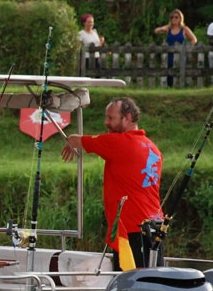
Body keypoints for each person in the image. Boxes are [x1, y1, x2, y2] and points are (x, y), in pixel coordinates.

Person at [61, 97, 162, 270]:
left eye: (111, 118)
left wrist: (70, 142)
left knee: (129, 287)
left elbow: (74, 139)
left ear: (127, 118)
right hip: (155, 227)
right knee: (153, 280)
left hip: (130, 229)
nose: (106, 122)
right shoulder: (152, 147)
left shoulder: (118, 143)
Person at [154, 9, 197, 87]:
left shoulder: (184, 29)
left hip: (180, 54)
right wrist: (162, 29)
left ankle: (180, 85)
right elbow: (156, 31)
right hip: (169, 54)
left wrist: (188, 47)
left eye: (176, 17)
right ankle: (169, 86)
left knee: (179, 70)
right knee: (169, 71)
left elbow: (194, 39)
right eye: (172, 17)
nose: (174, 19)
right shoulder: (168, 28)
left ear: (180, 18)